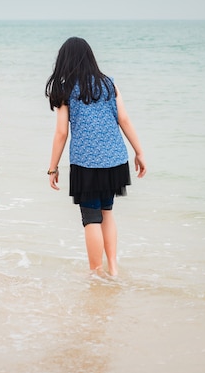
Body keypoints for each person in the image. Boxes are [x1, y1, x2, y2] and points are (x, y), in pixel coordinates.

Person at [45, 37, 146, 277]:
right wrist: (139, 152)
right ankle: (113, 268)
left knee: (91, 217)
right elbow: (124, 120)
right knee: (107, 212)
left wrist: (52, 168)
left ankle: (95, 272)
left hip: (86, 162)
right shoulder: (109, 84)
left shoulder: (65, 90)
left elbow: (61, 133)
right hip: (114, 159)